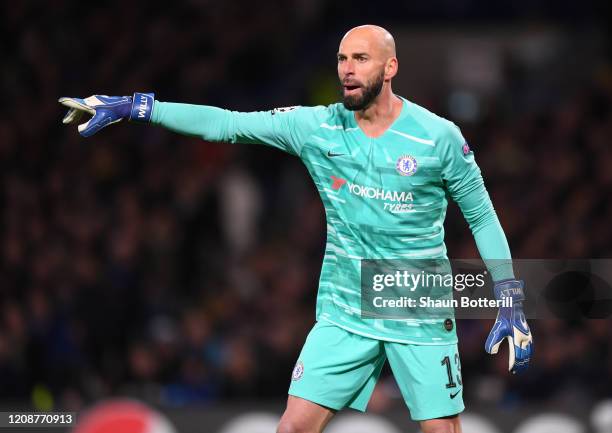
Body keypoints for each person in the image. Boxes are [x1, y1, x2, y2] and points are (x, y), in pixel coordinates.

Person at [60, 24, 533, 433]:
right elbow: (227, 125)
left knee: (440, 428)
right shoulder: (316, 127)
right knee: (293, 426)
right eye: (342, 58)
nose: (347, 68)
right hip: (346, 309)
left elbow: (482, 215)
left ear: (390, 68)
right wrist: (140, 108)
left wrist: (508, 295)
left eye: (361, 58)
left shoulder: (439, 137)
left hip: (417, 302)